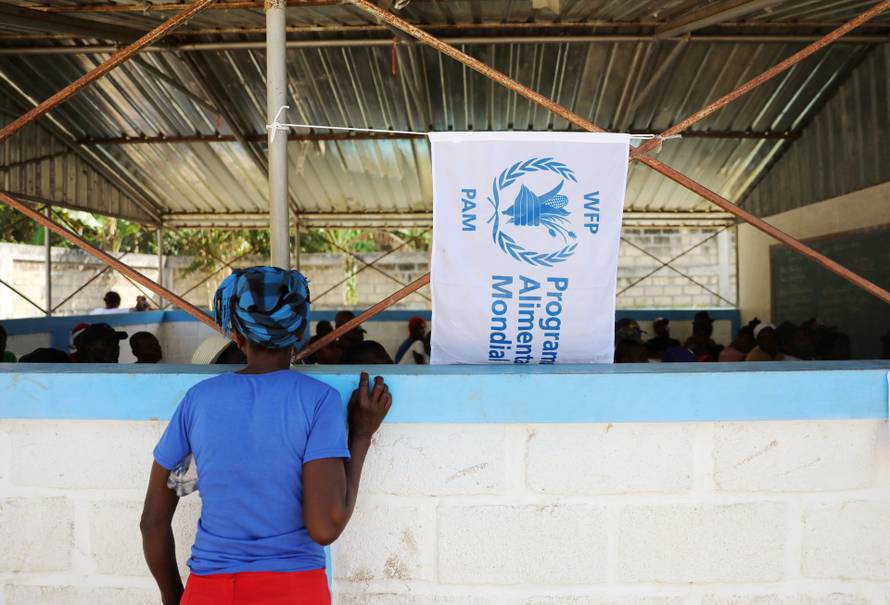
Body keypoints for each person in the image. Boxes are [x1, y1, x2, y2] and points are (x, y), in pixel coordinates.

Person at [141, 266, 392, 605]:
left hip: (209, 590)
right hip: (295, 590)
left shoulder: (198, 400)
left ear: (235, 333)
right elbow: (325, 527)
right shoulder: (318, 400)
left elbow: (152, 524)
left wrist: (175, 599)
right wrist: (361, 434)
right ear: (300, 329)